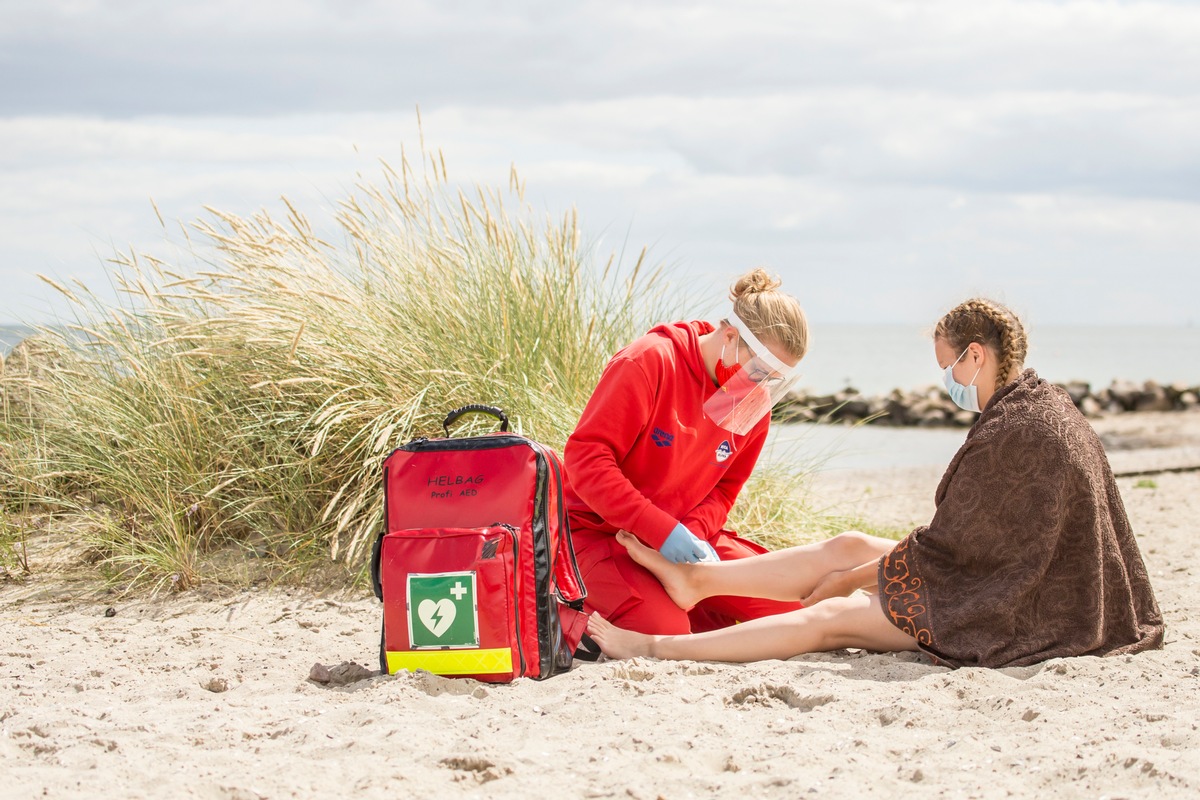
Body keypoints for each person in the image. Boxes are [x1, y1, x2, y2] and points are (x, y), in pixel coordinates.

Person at [585, 298, 1165, 668]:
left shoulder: (1013, 431)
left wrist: (848, 582)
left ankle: (659, 639)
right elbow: (589, 460)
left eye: (947, 366)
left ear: (974, 355)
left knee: (821, 616)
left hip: (1010, 598)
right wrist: (849, 570)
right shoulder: (1042, 404)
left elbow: (946, 548)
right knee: (847, 548)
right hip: (1016, 573)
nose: (944, 381)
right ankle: (693, 581)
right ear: (734, 338)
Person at [563, 268, 810, 637]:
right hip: (599, 534)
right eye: (762, 370)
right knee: (666, 630)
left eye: (776, 378)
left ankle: (693, 602)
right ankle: (565, 599)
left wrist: (690, 537)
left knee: (797, 607)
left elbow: (724, 491)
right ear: (730, 336)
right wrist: (661, 532)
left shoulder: (748, 396)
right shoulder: (650, 361)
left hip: (685, 541)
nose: (764, 386)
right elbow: (586, 462)